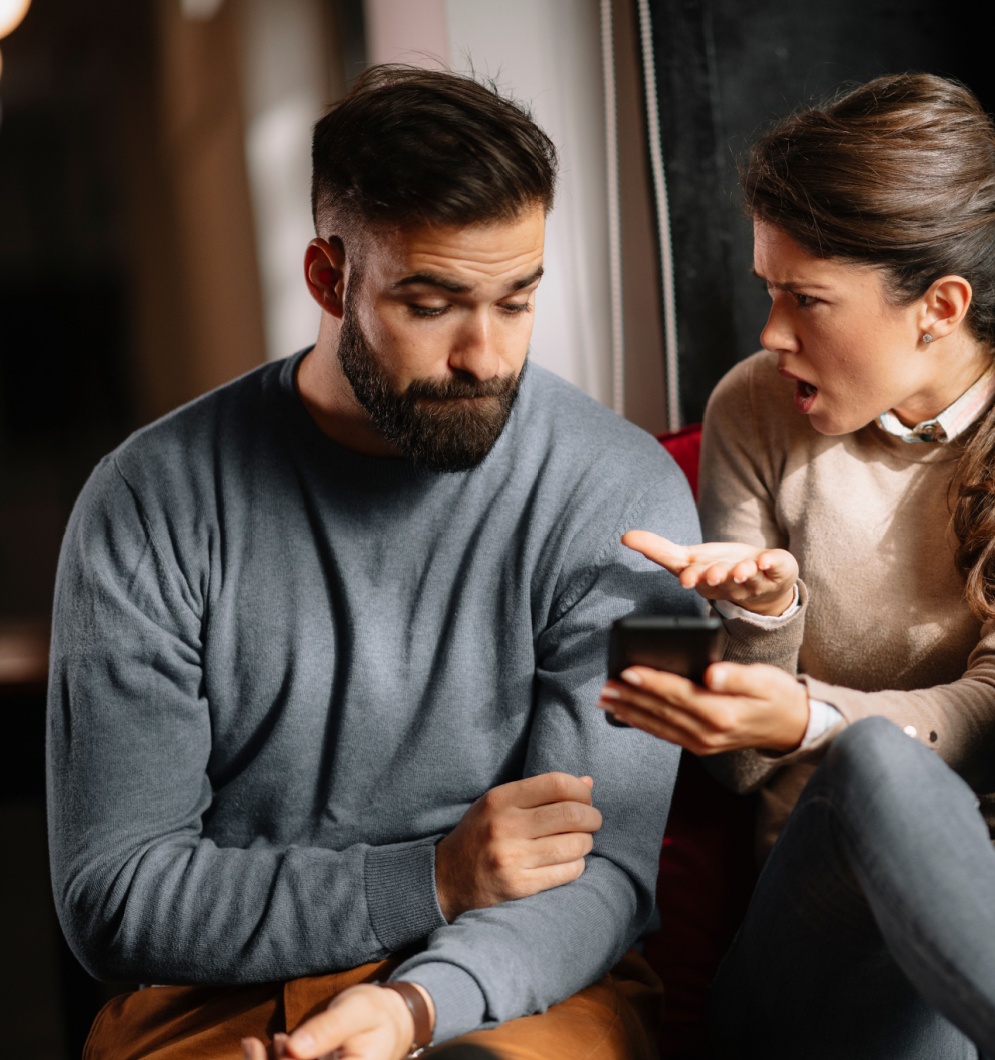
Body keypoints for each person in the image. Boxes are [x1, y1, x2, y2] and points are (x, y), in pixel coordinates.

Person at [47, 65, 699, 1060]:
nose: (485, 354)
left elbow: (608, 869)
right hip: (212, 1001)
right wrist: (431, 874)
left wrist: (415, 1006)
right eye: (432, 304)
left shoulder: (632, 494)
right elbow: (113, 896)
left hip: (522, 985)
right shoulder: (145, 501)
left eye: (516, 300)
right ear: (328, 278)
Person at [599, 73, 995, 1060]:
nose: (771, 333)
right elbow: (735, 765)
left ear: (940, 304)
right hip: (848, 947)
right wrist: (765, 621)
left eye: (805, 300)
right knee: (875, 761)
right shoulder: (755, 411)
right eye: (771, 292)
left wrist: (812, 711)